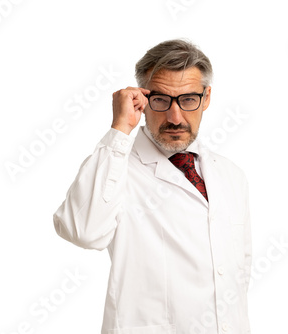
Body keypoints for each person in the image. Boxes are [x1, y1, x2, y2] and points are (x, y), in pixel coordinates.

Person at [53, 39, 252, 334]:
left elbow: (238, 274)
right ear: (142, 100)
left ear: (206, 97)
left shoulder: (231, 175)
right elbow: (83, 231)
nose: (175, 117)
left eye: (187, 99)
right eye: (160, 100)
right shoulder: (116, 167)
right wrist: (119, 130)